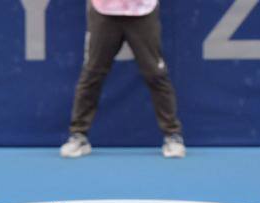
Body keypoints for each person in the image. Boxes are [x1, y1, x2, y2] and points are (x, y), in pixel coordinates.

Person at [59, 0, 186, 159]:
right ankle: (78, 136)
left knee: (156, 74)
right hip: (103, 10)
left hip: (143, 10)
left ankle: (172, 135)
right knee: (92, 75)